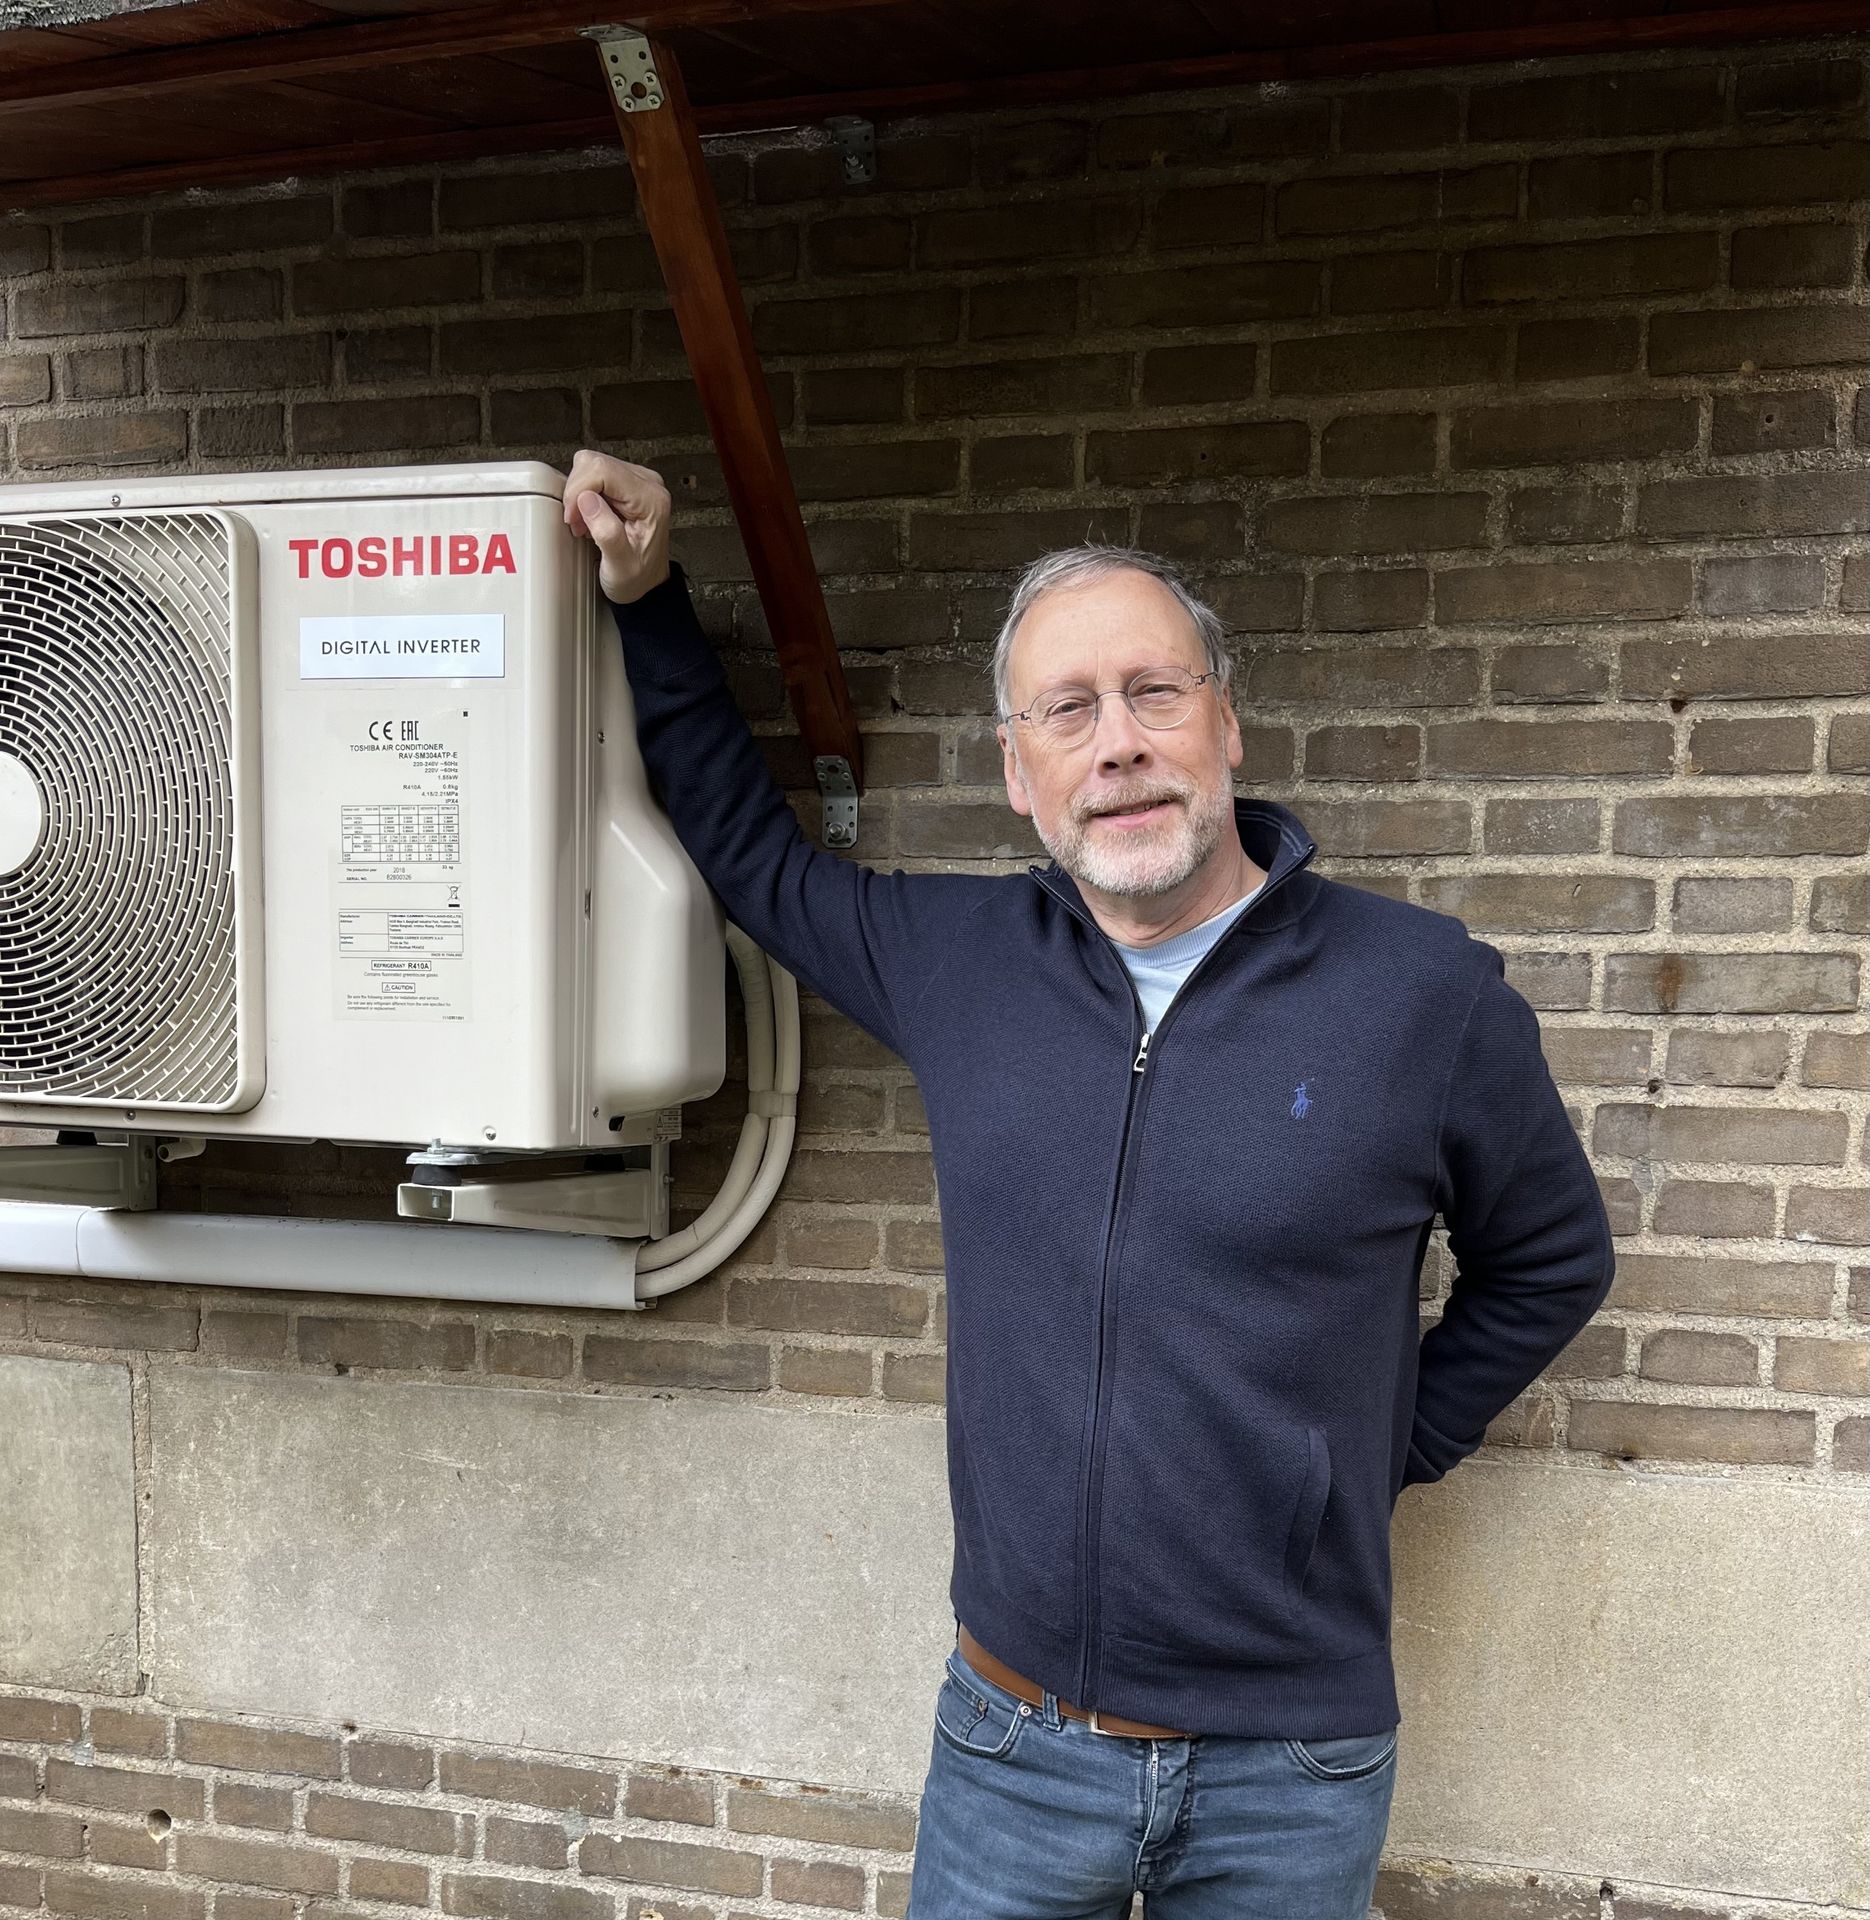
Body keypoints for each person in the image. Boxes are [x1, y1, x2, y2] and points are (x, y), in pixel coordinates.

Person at [563, 447, 1615, 1919]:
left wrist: (1375, 1445)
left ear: (1225, 726)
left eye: (1153, 692)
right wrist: (649, 597)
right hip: (1012, 1745)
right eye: (1066, 710)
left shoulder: (1420, 996)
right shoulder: (960, 965)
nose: (1114, 742)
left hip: (1290, 1766)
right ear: (1018, 773)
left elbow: (1553, 1263)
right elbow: (747, 856)